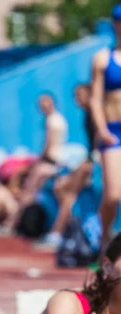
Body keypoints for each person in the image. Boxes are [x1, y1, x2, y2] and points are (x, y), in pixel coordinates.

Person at [37, 84, 97, 250]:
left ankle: (57, 233)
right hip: (92, 160)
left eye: (80, 95)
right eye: (75, 96)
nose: (77, 100)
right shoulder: (88, 115)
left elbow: (99, 146)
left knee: (66, 190)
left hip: (98, 163)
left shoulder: (97, 113)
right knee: (60, 186)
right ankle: (68, 231)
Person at [91, 4, 121, 250]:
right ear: (114, 24)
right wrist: (102, 130)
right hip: (113, 132)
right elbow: (95, 99)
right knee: (112, 195)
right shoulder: (103, 58)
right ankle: (104, 239)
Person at [19, 94, 68, 208]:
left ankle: (15, 218)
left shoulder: (51, 120)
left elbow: (48, 144)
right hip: (53, 161)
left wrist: (39, 160)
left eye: (45, 102)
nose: (43, 106)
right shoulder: (58, 118)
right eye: (41, 104)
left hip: (51, 162)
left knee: (29, 189)